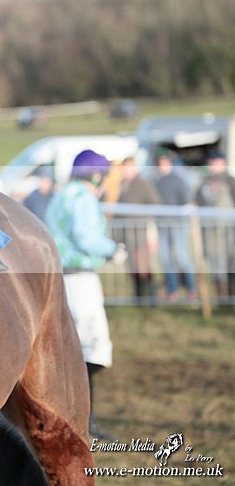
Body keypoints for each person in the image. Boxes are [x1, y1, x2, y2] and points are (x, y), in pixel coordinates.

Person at [45, 149, 127, 440]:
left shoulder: (61, 195)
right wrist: (112, 249)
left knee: (73, 346)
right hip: (79, 278)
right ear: (96, 175)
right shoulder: (83, 198)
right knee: (92, 348)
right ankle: (82, 417)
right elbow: (87, 238)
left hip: (61, 277)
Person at [115, 157, 161, 302]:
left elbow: (156, 204)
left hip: (140, 233)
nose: (125, 171)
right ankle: (138, 298)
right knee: (133, 267)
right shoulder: (123, 186)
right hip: (128, 234)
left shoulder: (143, 185)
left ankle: (150, 298)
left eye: (127, 167)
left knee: (143, 266)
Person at [153, 149, 196, 301]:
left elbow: (186, 203)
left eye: (164, 163)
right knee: (165, 258)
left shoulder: (178, 180)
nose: (161, 166)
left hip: (178, 225)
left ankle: (192, 289)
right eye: (159, 163)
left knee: (181, 256)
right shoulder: (156, 181)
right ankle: (172, 290)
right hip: (163, 225)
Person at [194, 150, 235, 298]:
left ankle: (229, 296)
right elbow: (197, 201)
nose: (212, 166)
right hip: (210, 232)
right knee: (214, 264)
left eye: (215, 163)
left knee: (228, 264)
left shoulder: (230, 181)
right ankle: (220, 296)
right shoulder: (204, 181)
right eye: (210, 163)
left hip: (228, 232)